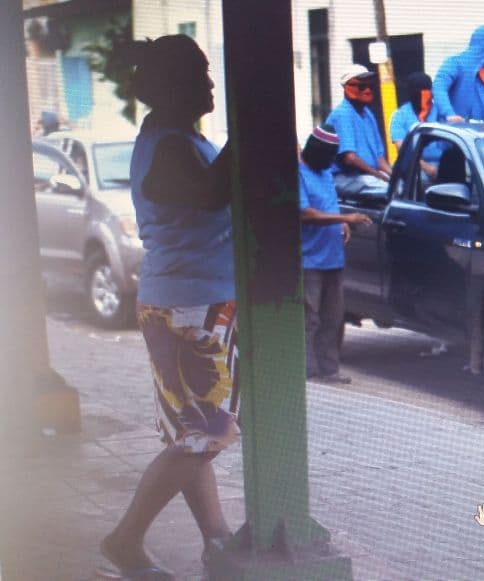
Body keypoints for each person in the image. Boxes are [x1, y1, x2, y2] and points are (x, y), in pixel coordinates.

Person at [101, 34, 236, 580]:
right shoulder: (170, 146)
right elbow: (210, 193)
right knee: (206, 434)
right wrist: (251, 128)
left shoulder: (171, 138)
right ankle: (125, 539)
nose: (211, 84)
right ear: (175, 85)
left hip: (183, 299)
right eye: (201, 75)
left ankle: (217, 538)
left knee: (191, 434)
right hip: (192, 305)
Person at [298, 124, 372, 380]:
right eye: (328, 156)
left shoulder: (326, 173)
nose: (332, 162)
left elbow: (329, 205)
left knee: (333, 318)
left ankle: (329, 369)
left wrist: (341, 222)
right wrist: (346, 218)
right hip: (310, 260)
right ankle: (308, 370)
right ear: (316, 152)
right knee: (310, 318)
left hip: (333, 257)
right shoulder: (299, 174)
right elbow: (305, 213)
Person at [325, 64, 392, 196]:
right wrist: (377, 175)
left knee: (404, 186)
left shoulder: (368, 114)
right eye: (362, 87)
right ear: (347, 88)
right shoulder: (343, 114)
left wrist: (393, 176)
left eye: (370, 86)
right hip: (344, 177)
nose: (368, 90)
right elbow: (349, 159)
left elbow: (379, 158)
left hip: (367, 176)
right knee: (390, 191)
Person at [432, 25, 484, 123]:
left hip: (480, 128)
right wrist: (449, 113)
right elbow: (439, 88)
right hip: (453, 128)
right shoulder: (455, 63)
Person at [389, 71, 442, 179]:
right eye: (418, 91)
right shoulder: (400, 115)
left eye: (427, 90)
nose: (424, 95)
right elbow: (403, 149)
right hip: (414, 165)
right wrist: (427, 168)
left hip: (442, 164)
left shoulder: (440, 111)